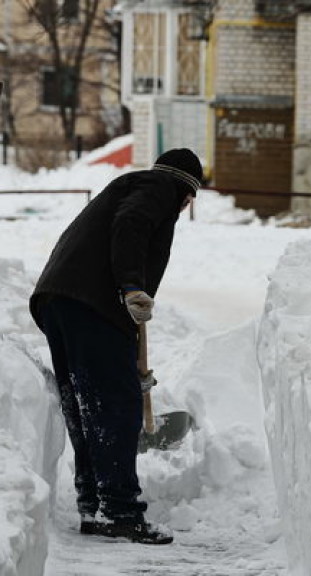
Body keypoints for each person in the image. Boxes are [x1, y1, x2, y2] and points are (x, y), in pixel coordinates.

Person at [29, 148, 203, 544]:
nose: (186, 206)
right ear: (186, 190)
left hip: (62, 299)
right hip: (92, 304)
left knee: (86, 406)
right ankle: (120, 511)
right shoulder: (160, 187)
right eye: (190, 199)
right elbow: (131, 225)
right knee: (113, 405)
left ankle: (94, 506)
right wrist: (132, 286)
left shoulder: (131, 185)